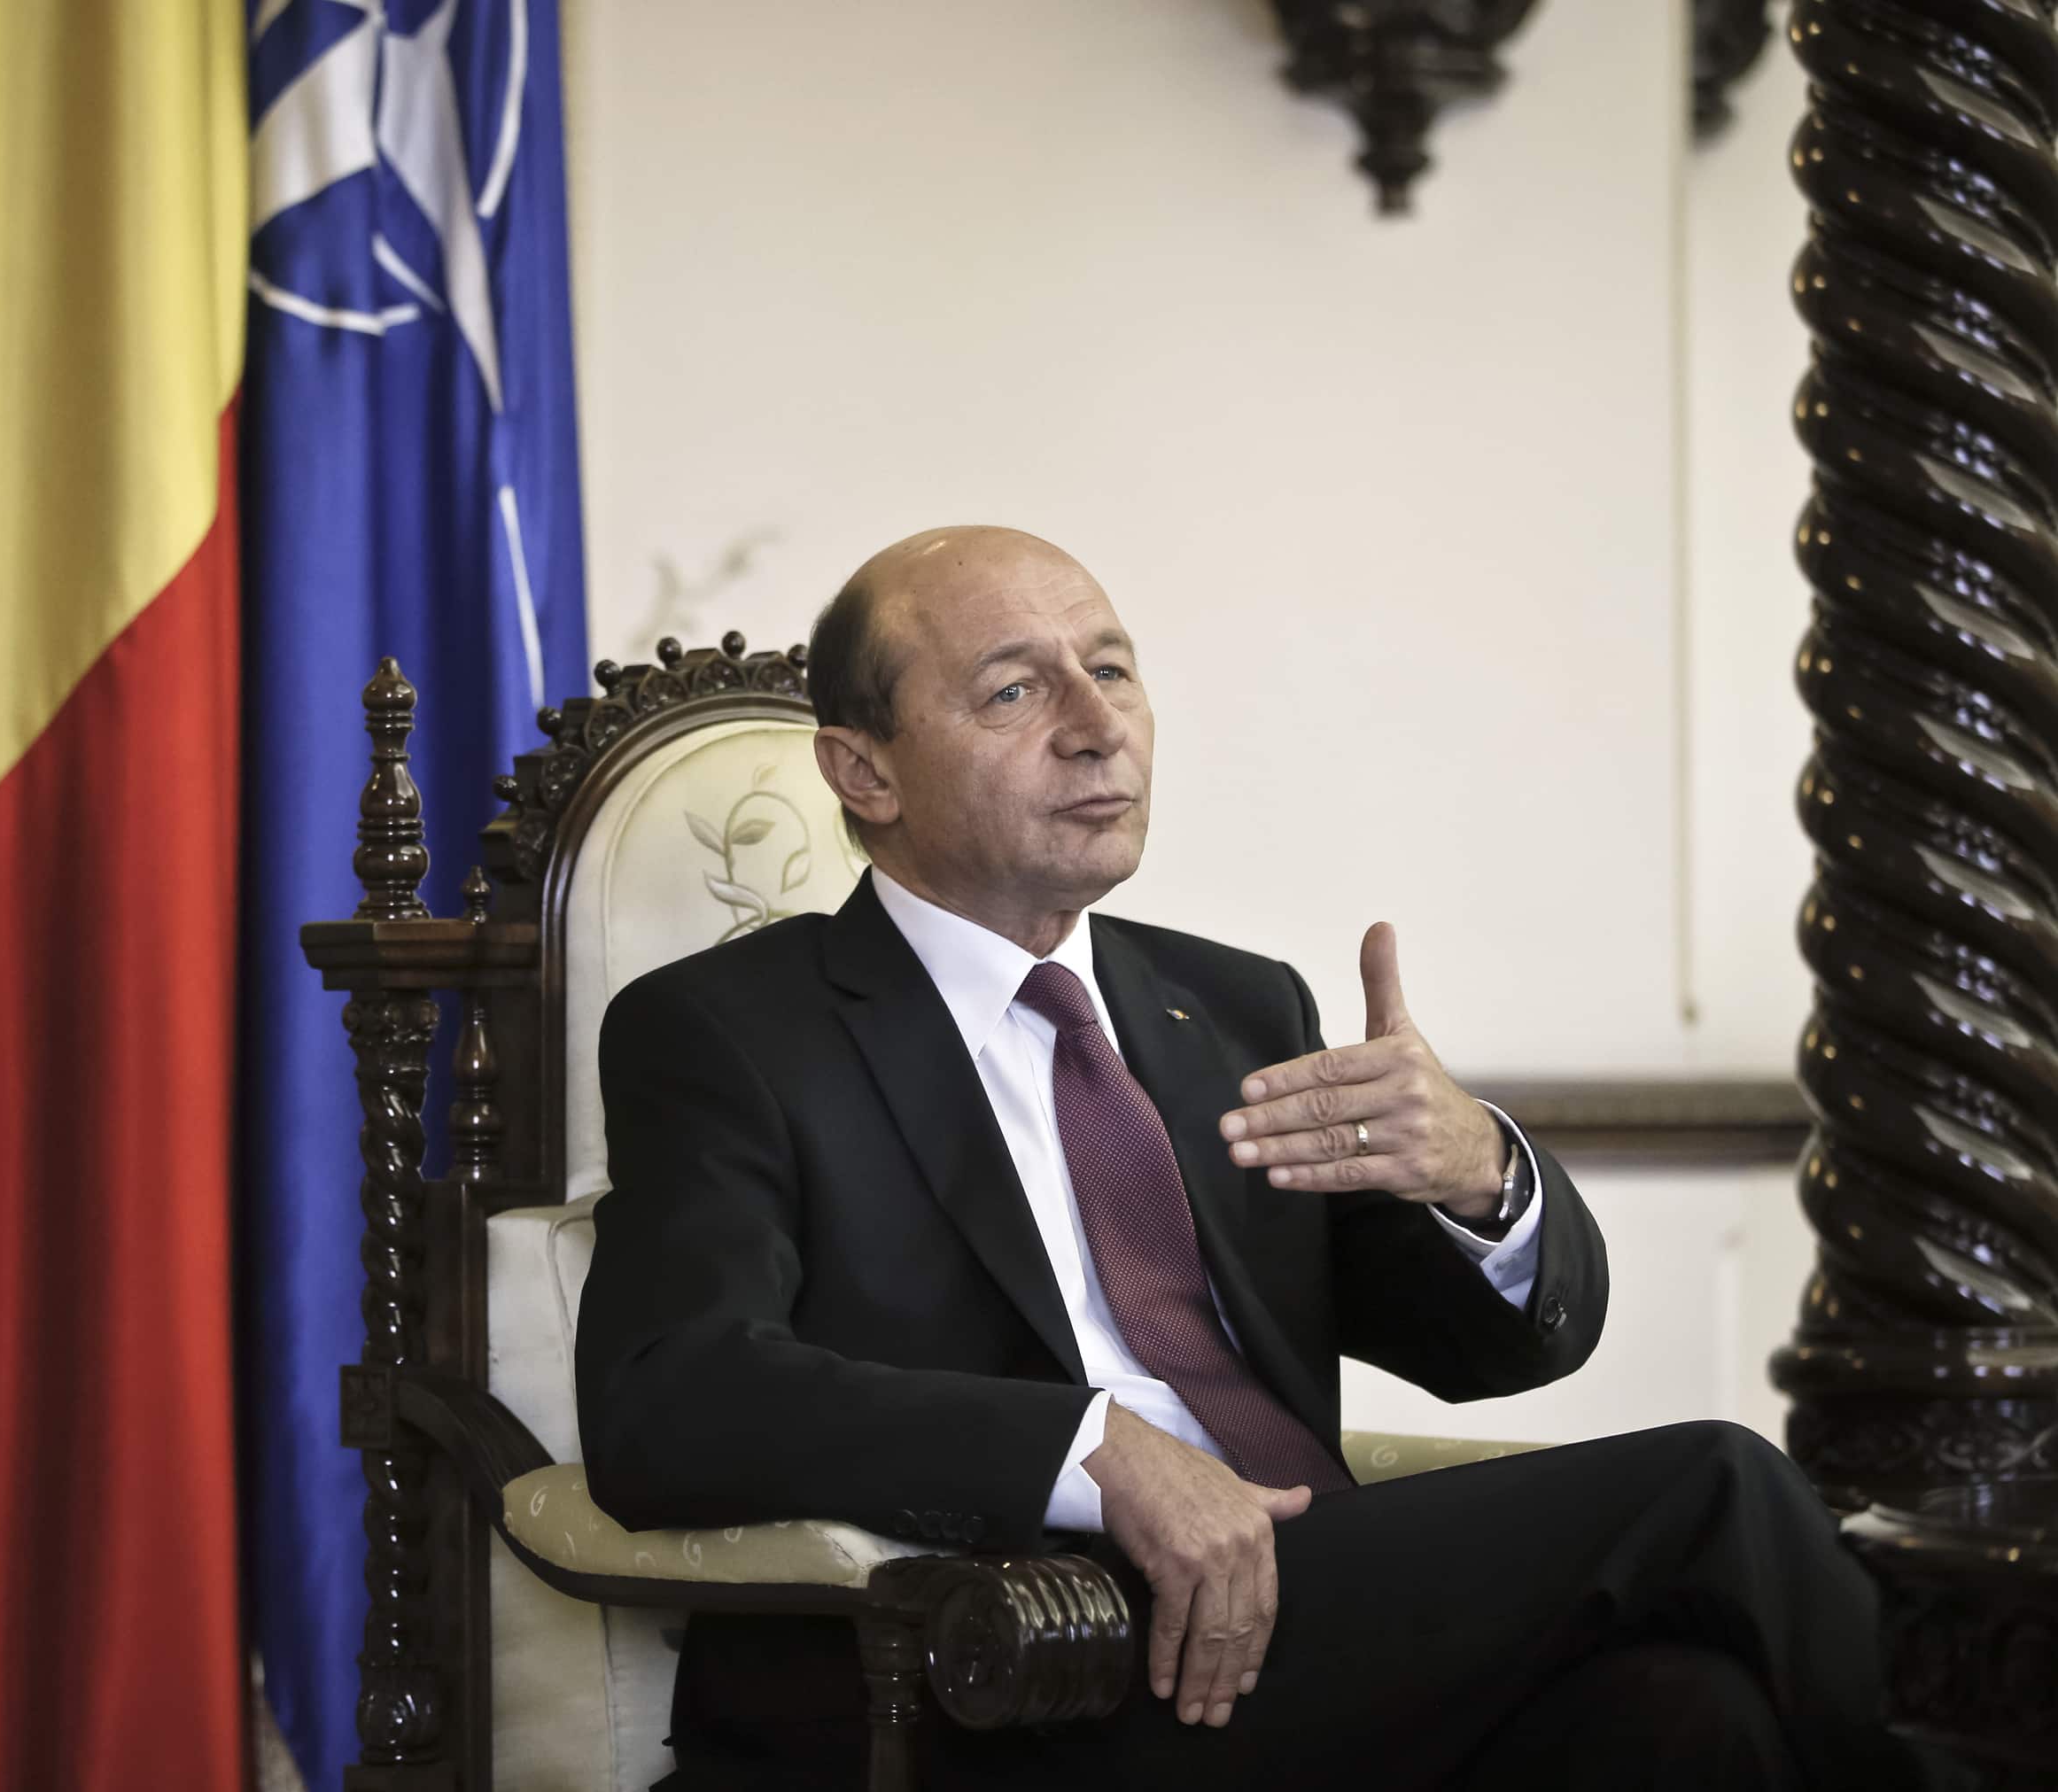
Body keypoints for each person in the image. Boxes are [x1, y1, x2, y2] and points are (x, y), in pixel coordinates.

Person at [574, 527, 1933, 1790]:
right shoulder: (735, 1032)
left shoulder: (1230, 1010)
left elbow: (1495, 1351)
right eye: (1013, 694)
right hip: (1005, 1654)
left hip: (1299, 1608)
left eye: (1111, 670)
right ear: (863, 770)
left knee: (1694, 1718)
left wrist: (1474, 1176)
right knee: (1717, 1484)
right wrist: (1090, 1446)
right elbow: (668, 1401)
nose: (1099, 727)